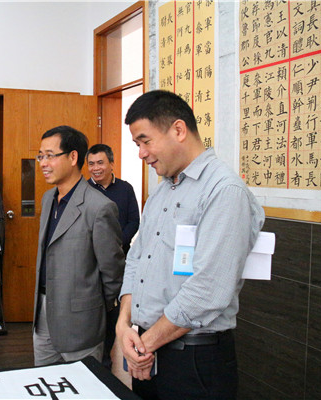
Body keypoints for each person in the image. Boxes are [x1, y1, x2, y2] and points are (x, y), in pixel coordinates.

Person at [115, 90, 264, 400]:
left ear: (179, 130)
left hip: (194, 361)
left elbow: (209, 289)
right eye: (137, 145)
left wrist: (144, 345)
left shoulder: (224, 190)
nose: (141, 153)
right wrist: (123, 325)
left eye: (145, 141)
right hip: (149, 352)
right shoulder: (161, 191)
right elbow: (136, 258)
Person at [33, 125, 125, 366]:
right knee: (44, 380)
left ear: (73, 157)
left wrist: (95, 308)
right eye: (40, 156)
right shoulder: (48, 198)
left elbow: (112, 272)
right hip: (43, 313)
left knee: (83, 382)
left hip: (81, 320)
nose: (43, 163)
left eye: (50, 156)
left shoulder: (99, 207)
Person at [86, 143, 140, 368]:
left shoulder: (125, 189)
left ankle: (106, 360)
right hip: (90, 262)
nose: (95, 168)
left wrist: (115, 245)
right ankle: (92, 360)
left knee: (113, 310)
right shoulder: (84, 191)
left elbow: (134, 221)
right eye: (91, 164)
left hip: (119, 261)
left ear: (111, 163)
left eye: (100, 163)